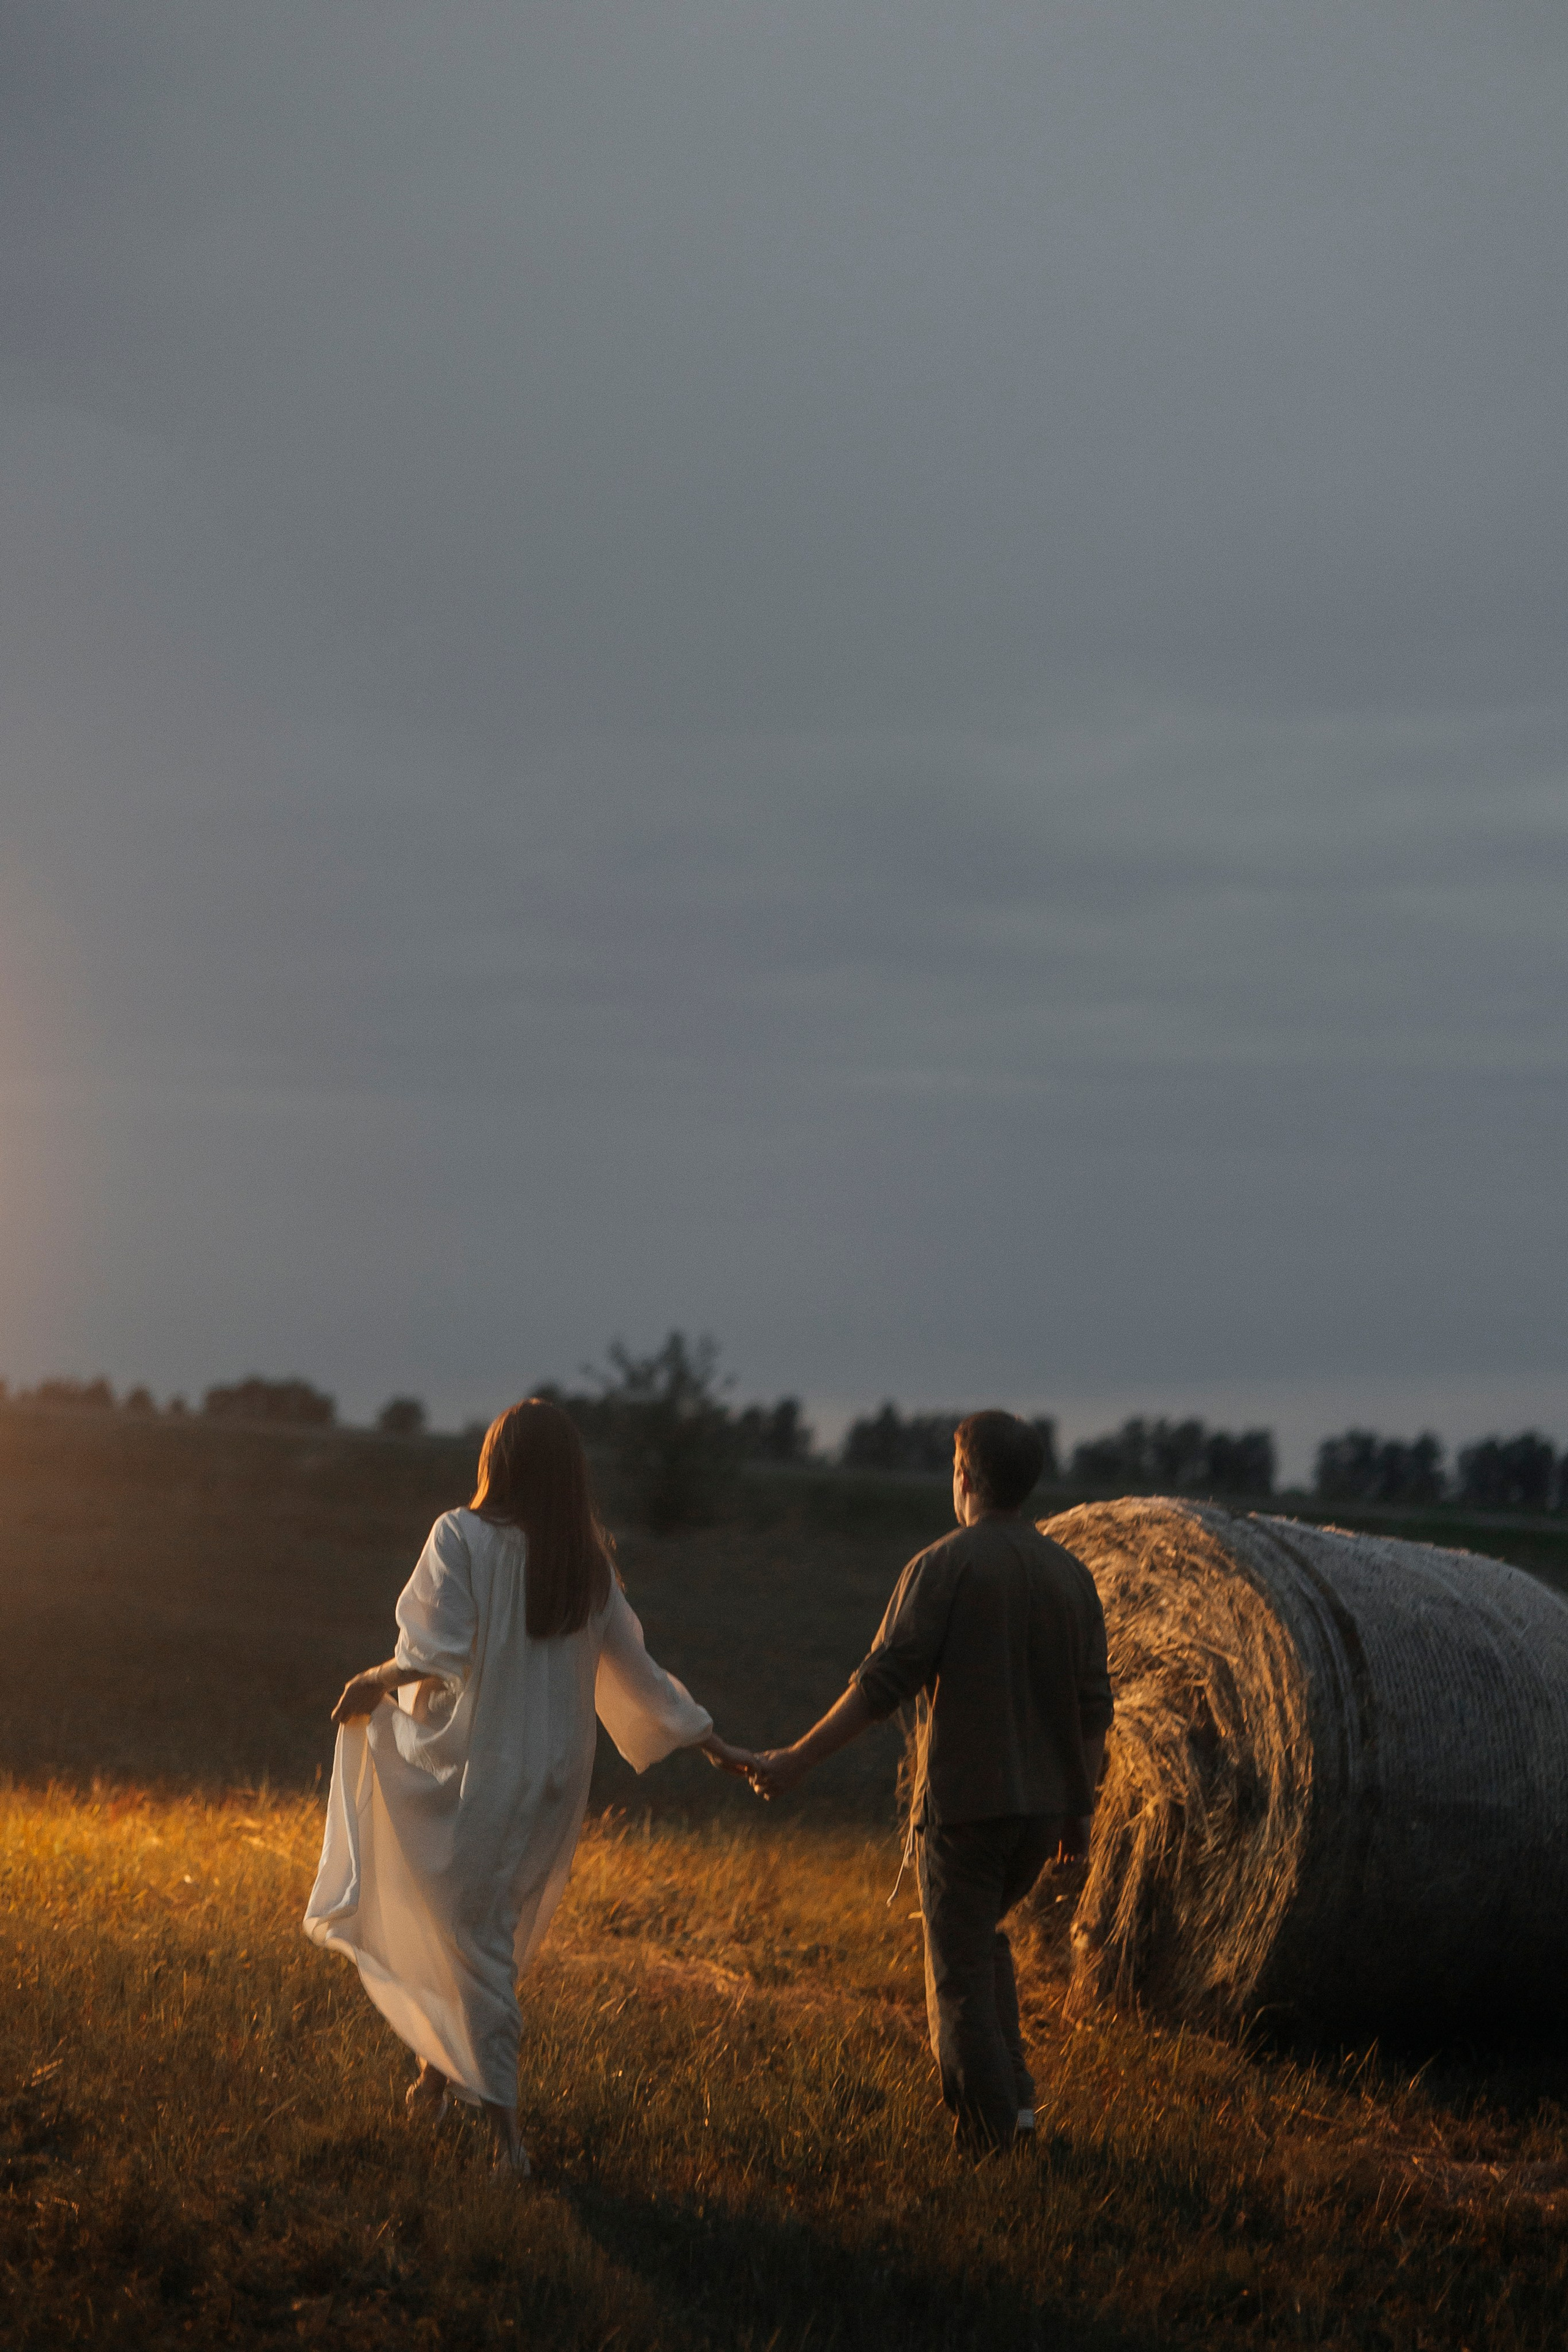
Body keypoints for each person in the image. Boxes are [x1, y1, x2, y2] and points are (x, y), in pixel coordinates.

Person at [304, 1396, 753, 2174]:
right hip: (551, 1777)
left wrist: (371, 1680)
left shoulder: (462, 1535)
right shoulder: (585, 1561)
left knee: (475, 1938)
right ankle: (433, 2083)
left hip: (479, 1769)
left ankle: (508, 2140)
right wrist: (713, 1741)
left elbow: (432, 1653)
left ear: (496, 1463)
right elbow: (641, 1679)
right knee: (478, 1923)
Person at [747, 1410, 1113, 2154]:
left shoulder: (944, 1565)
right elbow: (1092, 1716)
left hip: (967, 1808)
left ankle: (988, 2141)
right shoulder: (1072, 1576)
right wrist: (1078, 1814)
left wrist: (797, 1758)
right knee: (982, 1946)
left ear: (967, 1478)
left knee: (956, 1975)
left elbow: (880, 1686)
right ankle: (1019, 2111)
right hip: (1040, 1817)